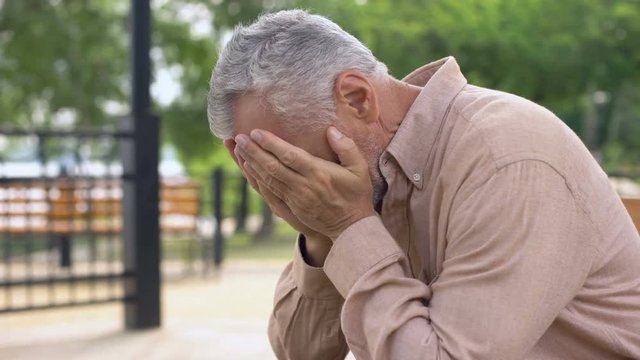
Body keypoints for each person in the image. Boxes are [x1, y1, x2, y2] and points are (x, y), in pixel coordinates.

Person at [207, 9, 640, 360]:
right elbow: (301, 353)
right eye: (264, 166)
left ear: (358, 98)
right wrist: (319, 233)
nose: (291, 180)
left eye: (292, 161)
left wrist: (348, 227)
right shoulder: (372, 174)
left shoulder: (506, 156)